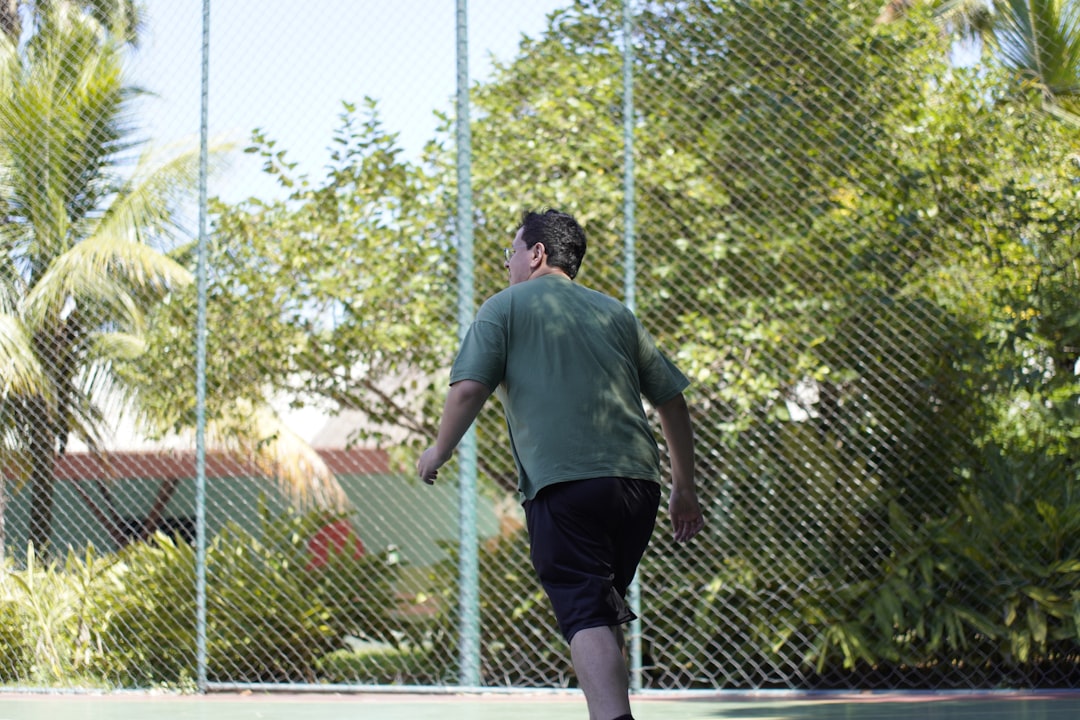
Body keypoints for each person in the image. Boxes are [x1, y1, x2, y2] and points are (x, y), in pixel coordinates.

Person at [417, 208, 704, 720]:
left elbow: (468, 390)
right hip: (639, 485)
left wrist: (439, 450)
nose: (507, 266)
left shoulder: (503, 307)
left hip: (566, 484)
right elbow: (672, 403)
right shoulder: (615, 314)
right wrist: (684, 488)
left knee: (584, 608)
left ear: (537, 254)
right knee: (599, 605)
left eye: (511, 254)